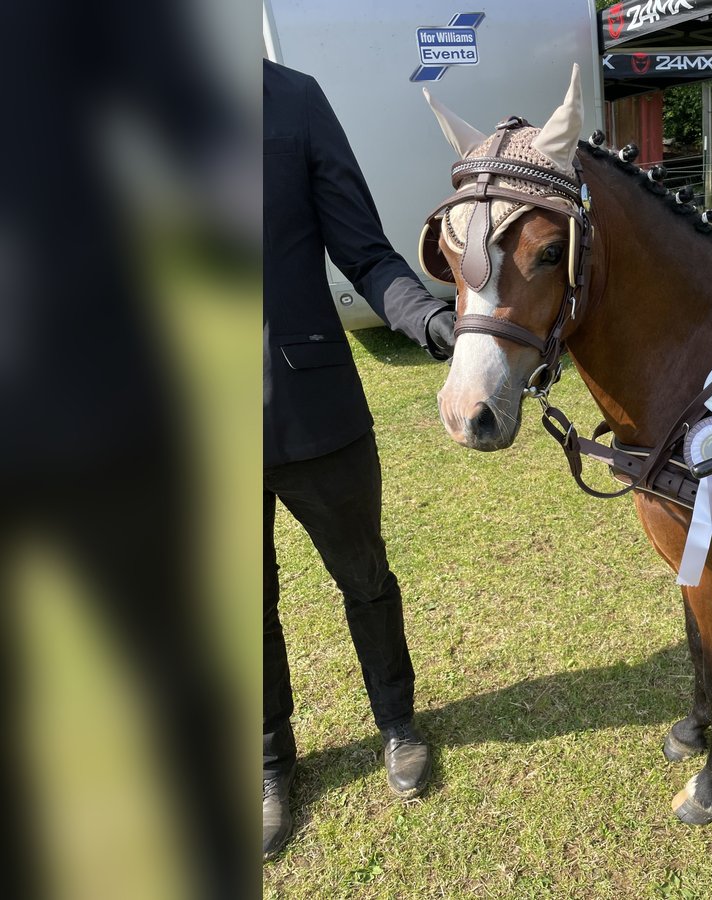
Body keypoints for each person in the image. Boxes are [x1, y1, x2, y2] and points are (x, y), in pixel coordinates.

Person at [263, 58, 456, 860]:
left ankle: (397, 724)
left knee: (365, 578)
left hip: (314, 410)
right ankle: (270, 763)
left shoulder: (293, 97)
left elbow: (366, 252)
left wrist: (433, 320)